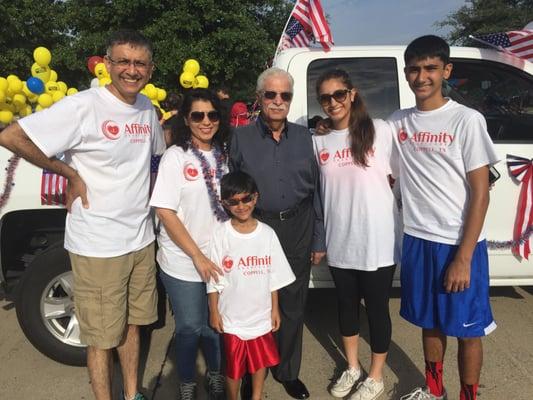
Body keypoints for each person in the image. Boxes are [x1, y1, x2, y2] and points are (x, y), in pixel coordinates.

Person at [0, 30, 165, 400]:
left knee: (134, 325)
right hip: (98, 243)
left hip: (140, 238)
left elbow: (155, 158)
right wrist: (69, 173)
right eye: (123, 61)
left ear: (150, 70)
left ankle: (133, 393)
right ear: (108, 64)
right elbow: (12, 136)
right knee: (101, 337)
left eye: (139, 63)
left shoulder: (146, 110)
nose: (131, 70)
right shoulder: (85, 106)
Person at [388, 35, 499, 400]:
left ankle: (469, 396)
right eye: (415, 69)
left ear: (446, 70)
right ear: (406, 74)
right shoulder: (398, 122)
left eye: (431, 68)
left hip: (457, 243)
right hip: (418, 239)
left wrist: (463, 257)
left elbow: (481, 193)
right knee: (430, 323)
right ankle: (434, 391)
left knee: (468, 330)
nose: (423, 77)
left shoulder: (466, 120)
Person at [229, 67, 326, 400]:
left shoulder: (305, 138)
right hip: (255, 228)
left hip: (297, 227)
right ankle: (246, 372)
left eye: (285, 95)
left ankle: (287, 371)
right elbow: (231, 189)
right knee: (251, 303)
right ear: (259, 98)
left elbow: (317, 192)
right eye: (270, 94)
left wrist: (318, 238)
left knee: (292, 303)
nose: (277, 101)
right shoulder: (239, 138)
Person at [313, 69, 400, 400]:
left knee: (377, 309)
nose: (333, 102)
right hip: (341, 241)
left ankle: (375, 376)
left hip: (377, 241)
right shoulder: (318, 140)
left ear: (352, 94)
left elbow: (404, 175)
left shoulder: (380, 131)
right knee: (346, 307)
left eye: (339, 94)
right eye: (325, 97)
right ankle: (353, 367)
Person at [149, 88, 229, 400]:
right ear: (187, 119)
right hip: (183, 260)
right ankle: (186, 379)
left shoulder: (225, 156)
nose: (206, 121)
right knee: (190, 327)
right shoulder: (176, 157)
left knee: (214, 325)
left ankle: (214, 374)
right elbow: (165, 211)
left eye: (212, 115)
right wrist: (196, 255)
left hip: (219, 259)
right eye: (198, 115)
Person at [207, 171, 296, 400]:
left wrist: (275, 309)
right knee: (233, 367)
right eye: (233, 202)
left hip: (260, 315)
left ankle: (256, 395)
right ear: (224, 203)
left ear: (255, 197)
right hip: (232, 317)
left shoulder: (267, 234)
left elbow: (274, 276)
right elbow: (213, 278)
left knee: (259, 362)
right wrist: (214, 310)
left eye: (246, 199)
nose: (241, 206)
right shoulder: (220, 234)